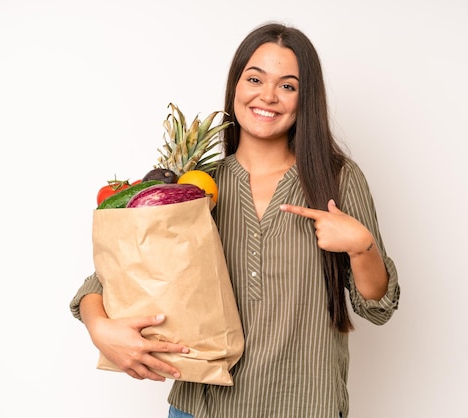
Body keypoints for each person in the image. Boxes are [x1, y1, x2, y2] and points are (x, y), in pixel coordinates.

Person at [70, 22, 400, 418]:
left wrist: (361, 247)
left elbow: (377, 305)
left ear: (305, 99)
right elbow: (106, 277)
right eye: (255, 78)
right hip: (202, 408)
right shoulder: (196, 186)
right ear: (236, 86)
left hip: (307, 406)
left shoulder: (338, 179)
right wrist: (99, 329)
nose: (268, 96)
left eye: (288, 86)